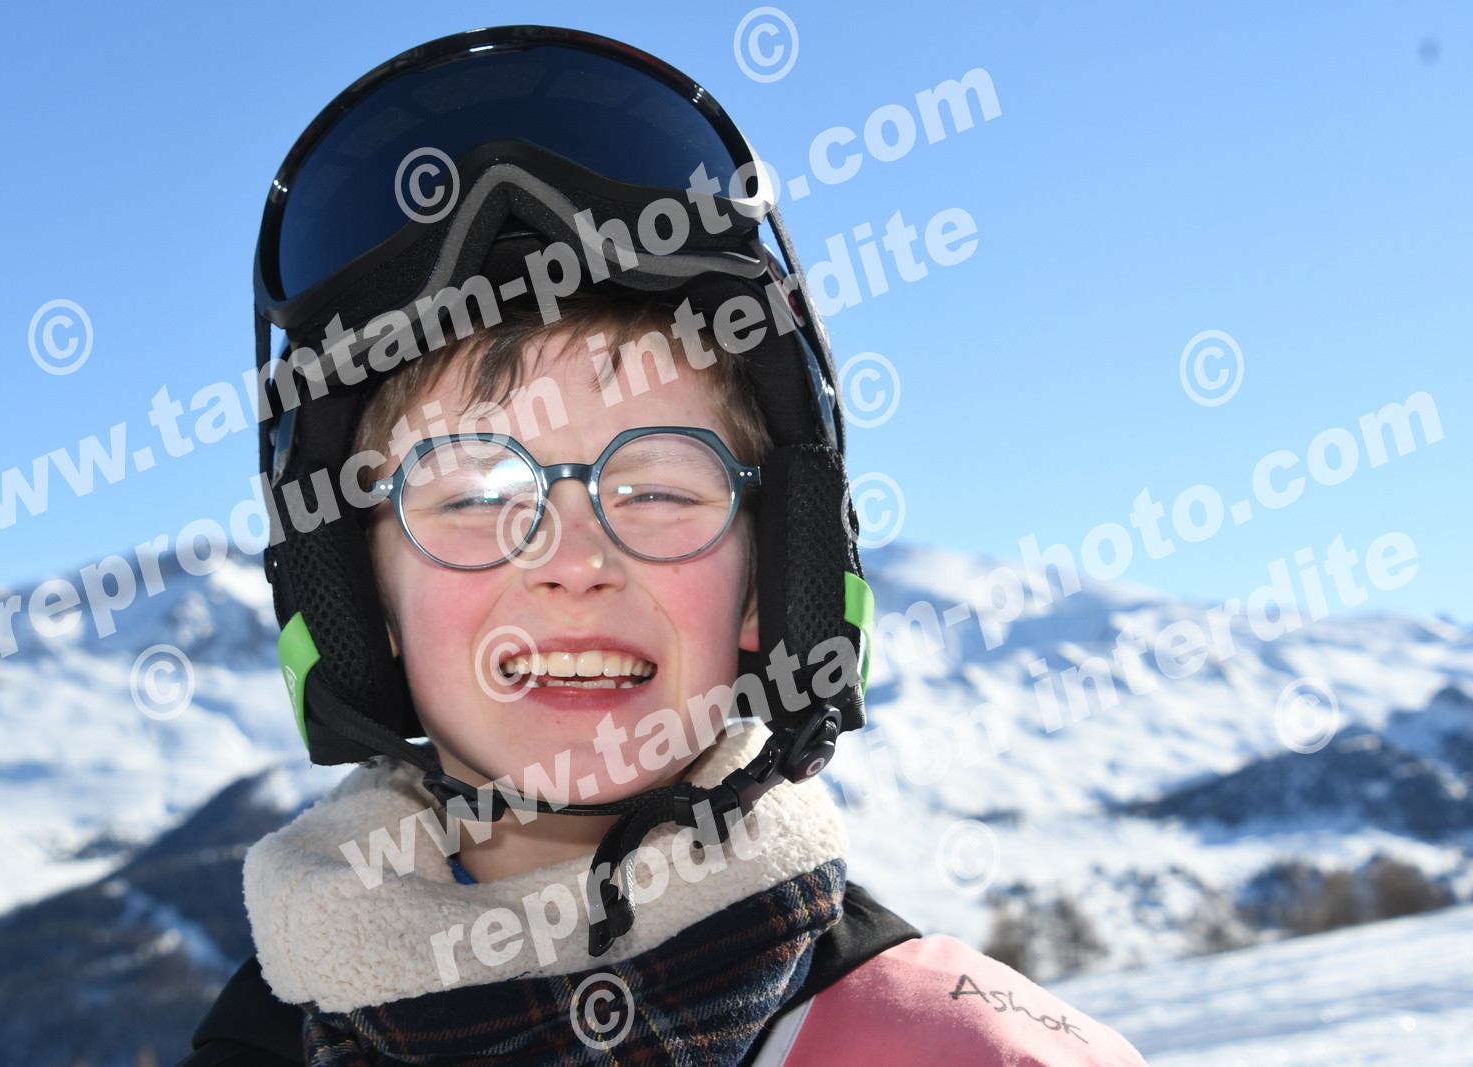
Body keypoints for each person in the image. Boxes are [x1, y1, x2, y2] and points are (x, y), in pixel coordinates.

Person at [180, 25, 1147, 1066]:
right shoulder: (256, 1045)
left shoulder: (957, 1049)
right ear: (359, 596)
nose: (572, 559)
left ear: (769, 579)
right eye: (473, 494)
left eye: (655, 488)